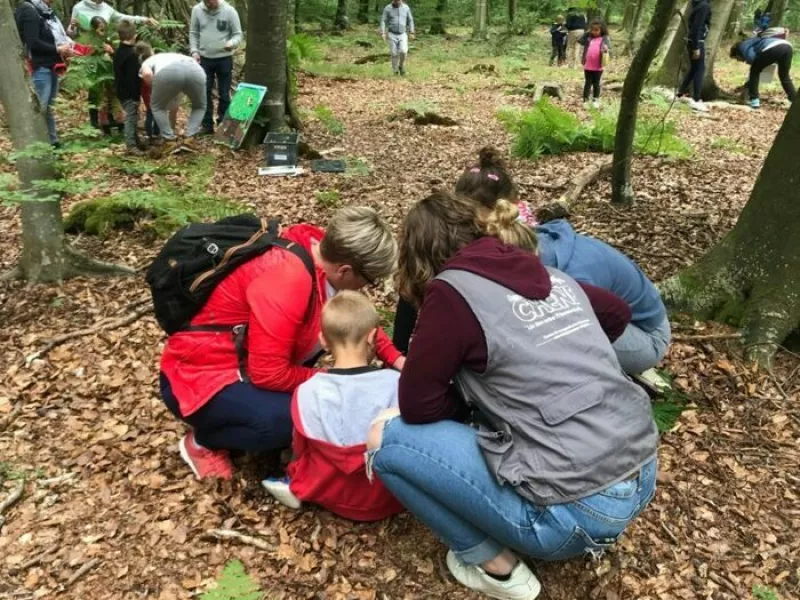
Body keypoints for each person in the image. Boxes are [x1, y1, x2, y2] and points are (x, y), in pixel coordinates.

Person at [368, 191, 658, 600]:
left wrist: (474, 403)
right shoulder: (549, 275)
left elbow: (418, 405)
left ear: (417, 258)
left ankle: (498, 570)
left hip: (576, 513)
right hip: (642, 473)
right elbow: (615, 313)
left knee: (386, 442)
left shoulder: (451, 293)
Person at [159, 207, 405, 480]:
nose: (365, 289)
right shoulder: (288, 280)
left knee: (315, 405)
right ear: (346, 270)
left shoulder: (323, 251)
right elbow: (268, 374)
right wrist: (335, 380)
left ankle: (246, 419)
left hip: (248, 360)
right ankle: (203, 442)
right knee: (284, 422)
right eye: (367, 281)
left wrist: (396, 359)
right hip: (202, 375)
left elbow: (354, 314)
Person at [394, 148, 671, 375]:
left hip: (643, 335)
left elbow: (608, 316)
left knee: (538, 332)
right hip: (610, 313)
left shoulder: (561, 271)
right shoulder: (508, 240)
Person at [262, 291, 404, 521]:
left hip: (328, 494)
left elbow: (300, 447)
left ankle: (295, 485)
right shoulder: (394, 384)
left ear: (323, 341)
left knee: (305, 456)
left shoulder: (308, 391)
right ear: (373, 338)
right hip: (385, 499)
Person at [15, 0, 73, 146]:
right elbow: (33, 42)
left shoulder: (46, 12)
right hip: (40, 66)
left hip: (52, 64)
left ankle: (53, 142)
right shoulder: (29, 11)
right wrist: (57, 49)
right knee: (40, 108)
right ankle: (36, 143)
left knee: (49, 108)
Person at [189, 0, 243, 136]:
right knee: (204, 92)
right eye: (206, 1)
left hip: (224, 58)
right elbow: (194, 33)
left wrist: (232, 43)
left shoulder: (230, 11)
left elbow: (238, 34)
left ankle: (222, 125)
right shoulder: (197, 10)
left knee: (224, 93)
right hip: (204, 58)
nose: (208, 3)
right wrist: (194, 51)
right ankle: (207, 125)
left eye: (210, 1)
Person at [137, 50, 208, 150]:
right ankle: (190, 138)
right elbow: (174, 105)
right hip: (196, 69)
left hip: (168, 72)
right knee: (200, 106)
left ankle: (169, 140)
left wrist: (156, 87)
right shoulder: (175, 56)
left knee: (157, 107)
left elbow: (147, 74)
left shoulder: (148, 61)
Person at [730, 36, 796, 109]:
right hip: (787, 46)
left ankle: (754, 100)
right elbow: (764, 68)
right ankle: (795, 101)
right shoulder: (751, 43)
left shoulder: (741, 47)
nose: (739, 61)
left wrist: (748, 84)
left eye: (736, 58)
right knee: (784, 76)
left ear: (736, 53)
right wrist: (747, 85)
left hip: (773, 47)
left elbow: (753, 60)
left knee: (754, 71)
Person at [113, 20, 144, 155]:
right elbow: (132, 78)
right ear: (134, 36)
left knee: (133, 117)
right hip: (129, 93)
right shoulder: (132, 55)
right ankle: (131, 145)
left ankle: (136, 140)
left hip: (121, 90)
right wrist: (136, 96)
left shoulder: (118, 51)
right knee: (130, 118)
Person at [677, 0, 711, 112]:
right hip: (697, 41)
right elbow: (696, 27)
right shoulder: (704, 6)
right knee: (700, 69)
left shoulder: (698, 4)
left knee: (694, 68)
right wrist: (696, 47)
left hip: (693, 40)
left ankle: (680, 92)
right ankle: (697, 99)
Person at [578, 19, 611, 108]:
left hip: (598, 66)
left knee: (596, 83)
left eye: (596, 30)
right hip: (588, 65)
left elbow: (609, 49)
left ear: (602, 30)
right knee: (587, 83)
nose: (594, 32)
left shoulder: (604, 38)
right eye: (592, 30)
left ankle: (595, 99)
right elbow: (580, 40)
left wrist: (605, 49)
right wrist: (587, 32)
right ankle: (585, 100)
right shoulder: (589, 37)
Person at [380, 0, 415, 76]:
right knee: (393, 53)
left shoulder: (406, 8)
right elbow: (383, 20)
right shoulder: (387, 8)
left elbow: (410, 20)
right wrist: (382, 32)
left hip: (402, 33)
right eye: (395, 1)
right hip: (392, 33)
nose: (397, 2)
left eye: (399, 1)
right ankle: (395, 70)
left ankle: (401, 66)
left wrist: (411, 31)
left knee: (404, 51)